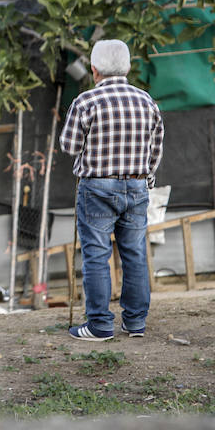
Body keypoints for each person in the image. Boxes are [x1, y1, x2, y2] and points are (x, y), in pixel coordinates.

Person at [58, 39, 164, 341]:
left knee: (96, 256)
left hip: (97, 187)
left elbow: (69, 146)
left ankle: (100, 325)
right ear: (128, 68)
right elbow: (155, 151)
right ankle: (135, 323)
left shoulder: (86, 102)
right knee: (135, 255)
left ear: (94, 70)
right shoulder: (147, 102)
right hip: (137, 185)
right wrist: (146, 180)